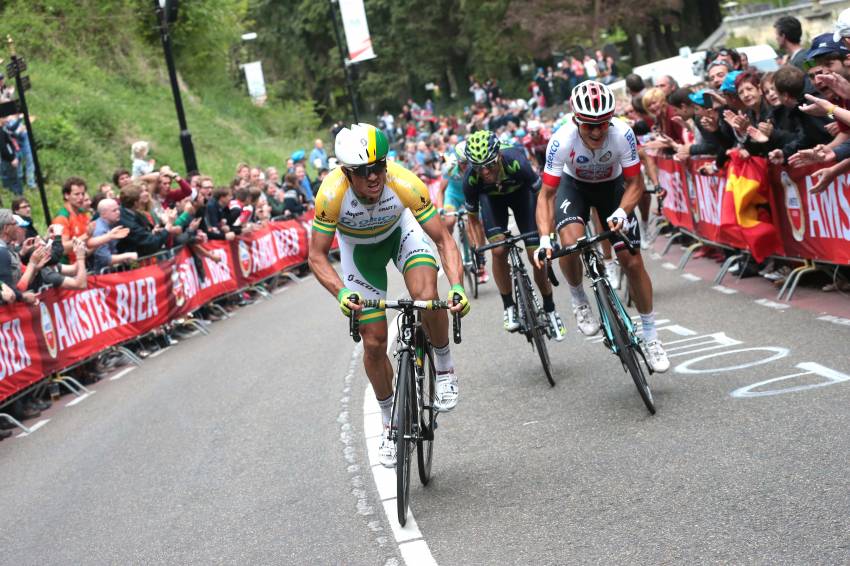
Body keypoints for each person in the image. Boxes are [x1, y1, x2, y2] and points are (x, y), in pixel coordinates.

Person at [308, 123, 469, 468]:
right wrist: (340, 293)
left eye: (378, 166)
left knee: (426, 294)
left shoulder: (404, 182)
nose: (373, 176)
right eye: (363, 171)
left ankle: (443, 367)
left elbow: (442, 239)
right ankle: (389, 422)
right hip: (360, 254)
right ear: (346, 173)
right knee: (375, 342)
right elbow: (317, 255)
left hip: (402, 235)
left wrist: (456, 284)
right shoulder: (331, 194)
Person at [534, 80, 670, 373]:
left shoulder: (622, 133)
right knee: (569, 243)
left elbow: (635, 182)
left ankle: (651, 336)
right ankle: (579, 299)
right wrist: (544, 239)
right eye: (588, 126)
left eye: (602, 124)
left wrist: (623, 210)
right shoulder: (561, 140)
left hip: (613, 188)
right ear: (575, 120)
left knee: (632, 262)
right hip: (575, 188)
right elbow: (546, 195)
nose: (597, 132)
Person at [462, 130, 566, 340]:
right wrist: (477, 249)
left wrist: (549, 237)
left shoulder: (516, 162)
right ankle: (509, 306)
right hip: (492, 202)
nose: (485, 172)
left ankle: (550, 308)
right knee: (498, 251)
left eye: (490, 165)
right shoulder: (471, 179)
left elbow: (545, 200)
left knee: (535, 255)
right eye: (479, 168)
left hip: (523, 197)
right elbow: (472, 219)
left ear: (499, 156)